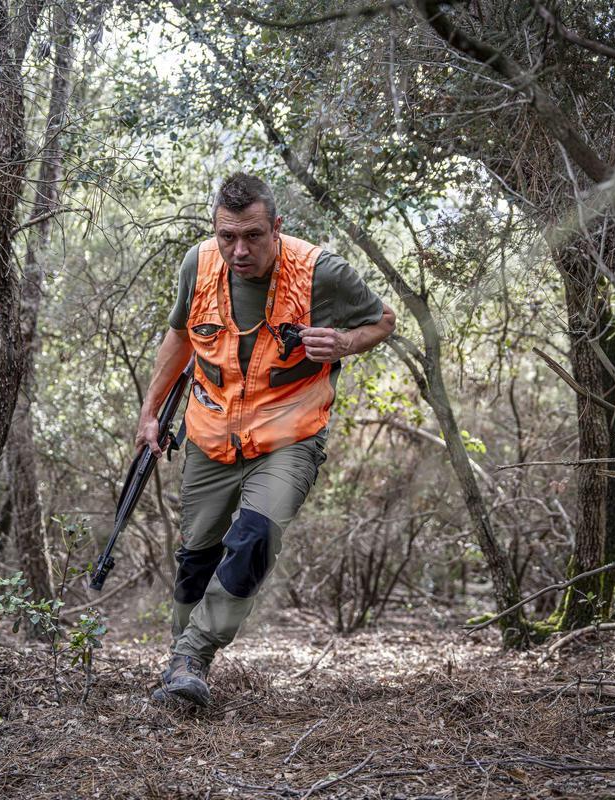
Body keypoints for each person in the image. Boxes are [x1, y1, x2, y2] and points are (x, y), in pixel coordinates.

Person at [135, 172, 396, 707]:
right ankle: (181, 666)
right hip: (210, 435)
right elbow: (181, 337)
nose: (238, 250)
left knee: (253, 539)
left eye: (253, 235)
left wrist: (344, 340)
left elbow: (383, 320)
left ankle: (193, 656)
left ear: (277, 227)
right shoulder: (198, 264)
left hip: (289, 437)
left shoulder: (322, 272)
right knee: (196, 557)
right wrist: (151, 412)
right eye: (227, 236)